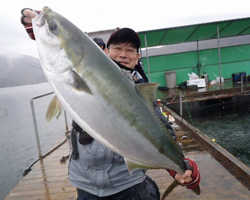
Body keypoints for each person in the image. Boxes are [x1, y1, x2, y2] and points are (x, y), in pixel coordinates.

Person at [21, 9, 200, 200]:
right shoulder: (81, 72)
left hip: (128, 186)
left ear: (137, 58)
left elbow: (161, 128)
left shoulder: (141, 92)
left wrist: (180, 165)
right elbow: (69, 54)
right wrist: (44, 32)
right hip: (85, 185)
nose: (123, 54)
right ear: (105, 52)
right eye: (117, 48)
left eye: (130, 50)